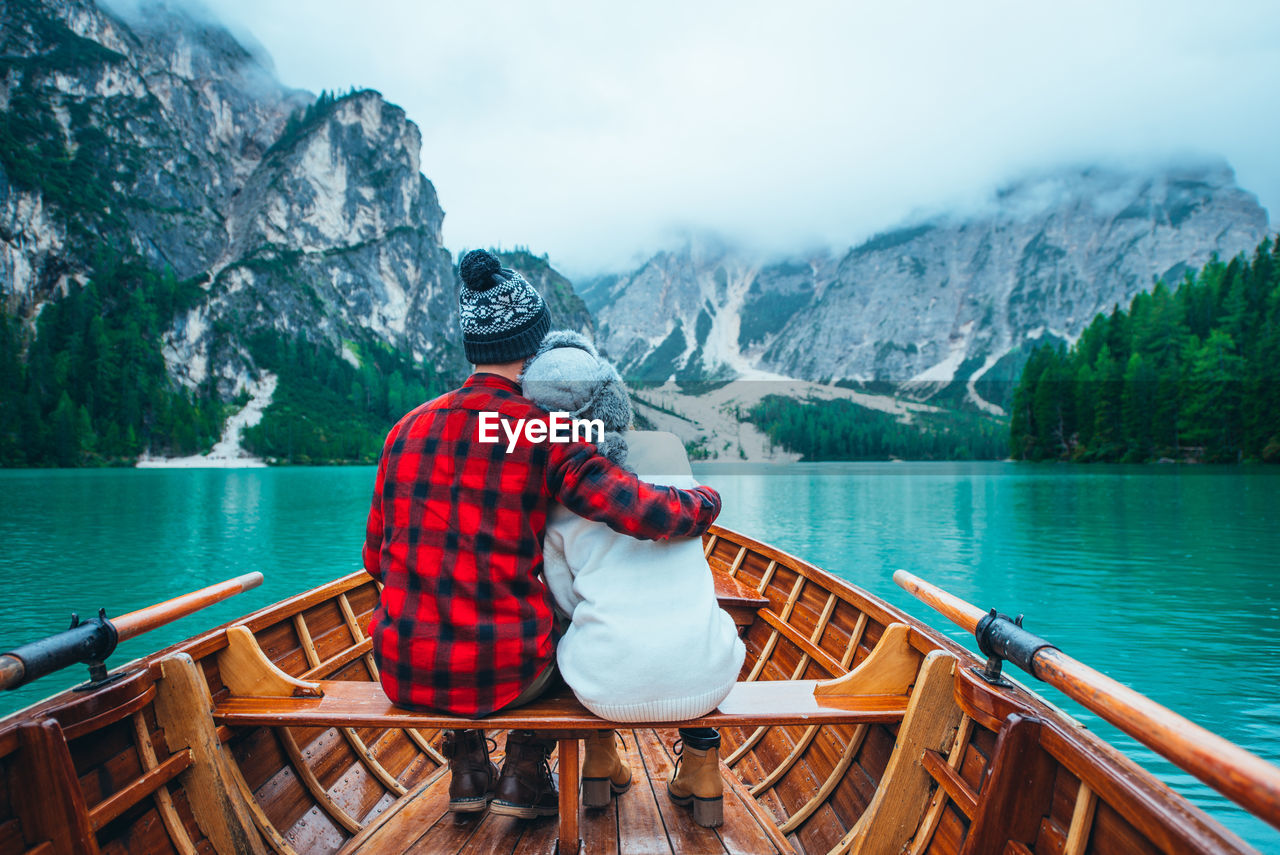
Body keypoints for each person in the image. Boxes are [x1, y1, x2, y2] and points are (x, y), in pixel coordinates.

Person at [362, 250, 723, 820]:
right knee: (567, 623)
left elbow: (376, 562)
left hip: (403, 672)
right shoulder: (542, 428)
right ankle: (525, 775)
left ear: (473, 348)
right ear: (535, 351)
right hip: (509, 678)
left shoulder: (404, 430)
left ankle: (469, 771)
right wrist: (703, 504)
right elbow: (629, 507)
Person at [521, 331, 746, 828]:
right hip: (708, 678)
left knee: (565, 631)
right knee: (695, 615)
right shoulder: (668, 451)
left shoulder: (557, 486)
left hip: (605, 687)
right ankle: (703, 768)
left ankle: (600, 760)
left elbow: (562, 603)